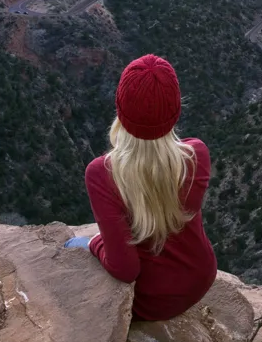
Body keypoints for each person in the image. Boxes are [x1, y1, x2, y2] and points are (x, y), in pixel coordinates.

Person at [65, 54, 217, 321]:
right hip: (201, 277)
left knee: (71, 245)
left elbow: (125, 269)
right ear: (175, 109)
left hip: (154, 300)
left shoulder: (101, 173)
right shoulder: (197, 155)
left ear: (120, 109)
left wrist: (94, 243)